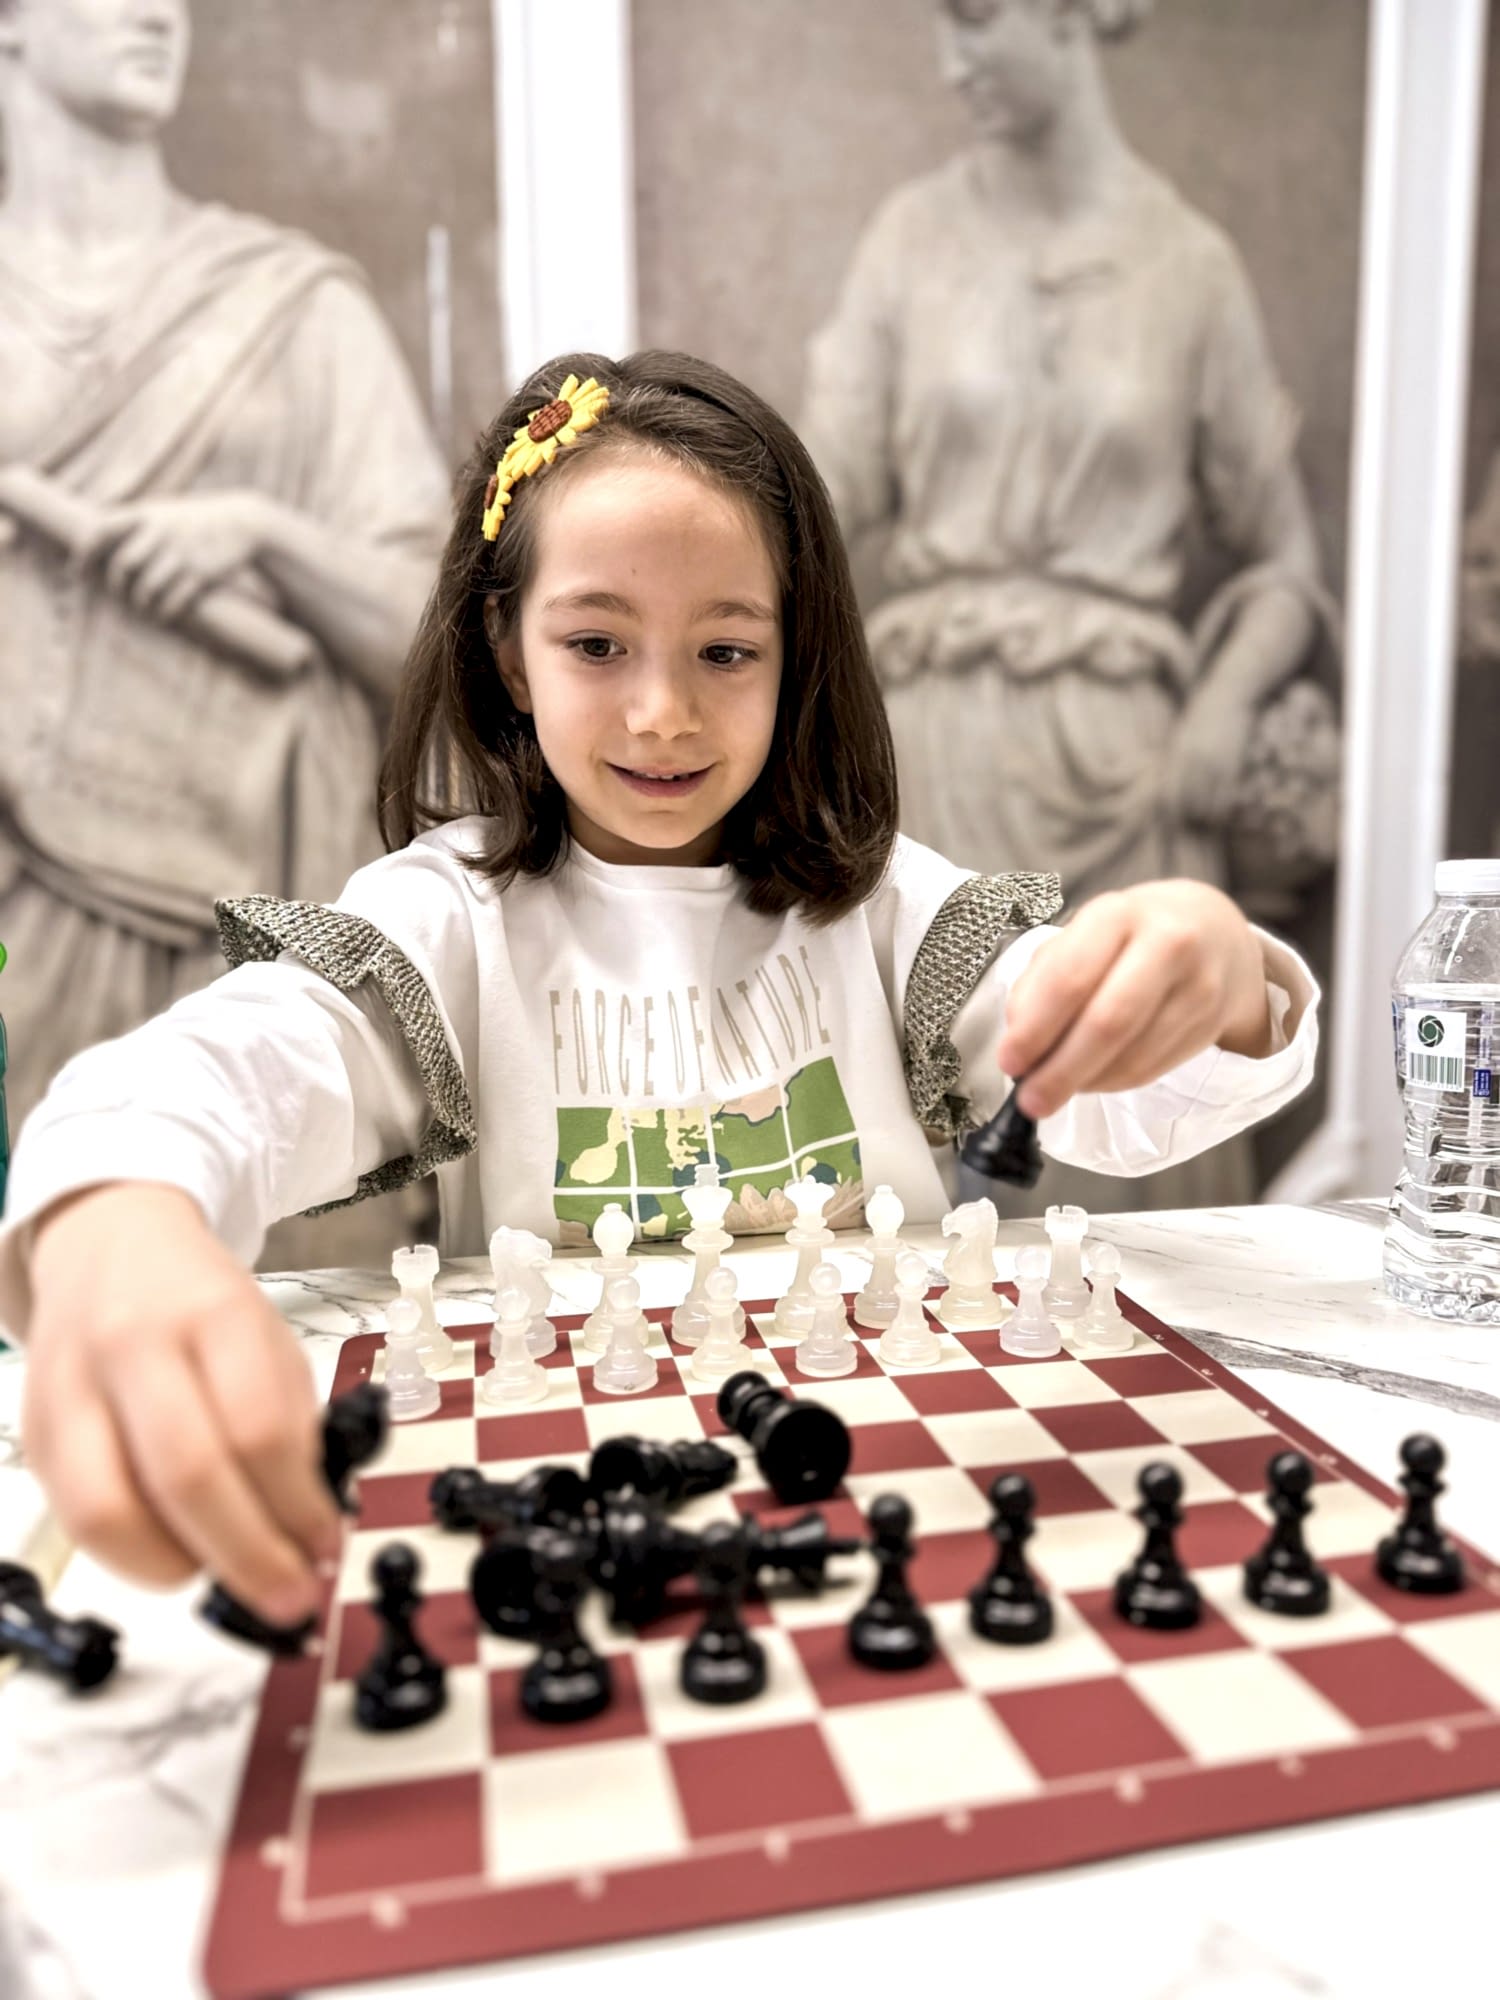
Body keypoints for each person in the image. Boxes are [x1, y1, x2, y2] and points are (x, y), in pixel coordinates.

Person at [0, 349, 1318, 1636]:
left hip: (893, 1490)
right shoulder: (445, 922)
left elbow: (1129, 1106)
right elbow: (226, 1072)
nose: (662, 713)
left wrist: (1216, 978)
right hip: (573, 1519)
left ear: (796, 654)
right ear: (509, 652)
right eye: (596, 643)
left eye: (726, 651)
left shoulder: (886, 913)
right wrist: (116, 1216)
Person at [800, 0, 1336, 1212]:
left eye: (975, 18)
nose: (952, 62)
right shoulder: (910, 242)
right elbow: (813, 503)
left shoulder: (1189, 267)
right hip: (933, 755)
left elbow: (1285, 561)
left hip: (1124, 771)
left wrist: (1224, 702)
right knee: (926, 1152)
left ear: (1069, 14)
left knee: (1126, 1139)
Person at [0, 0, 450, 1135]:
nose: (157, 12)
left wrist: (261, 533)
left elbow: (436, 643)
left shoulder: (296, 308)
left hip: (254, 912)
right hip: (18, 913)